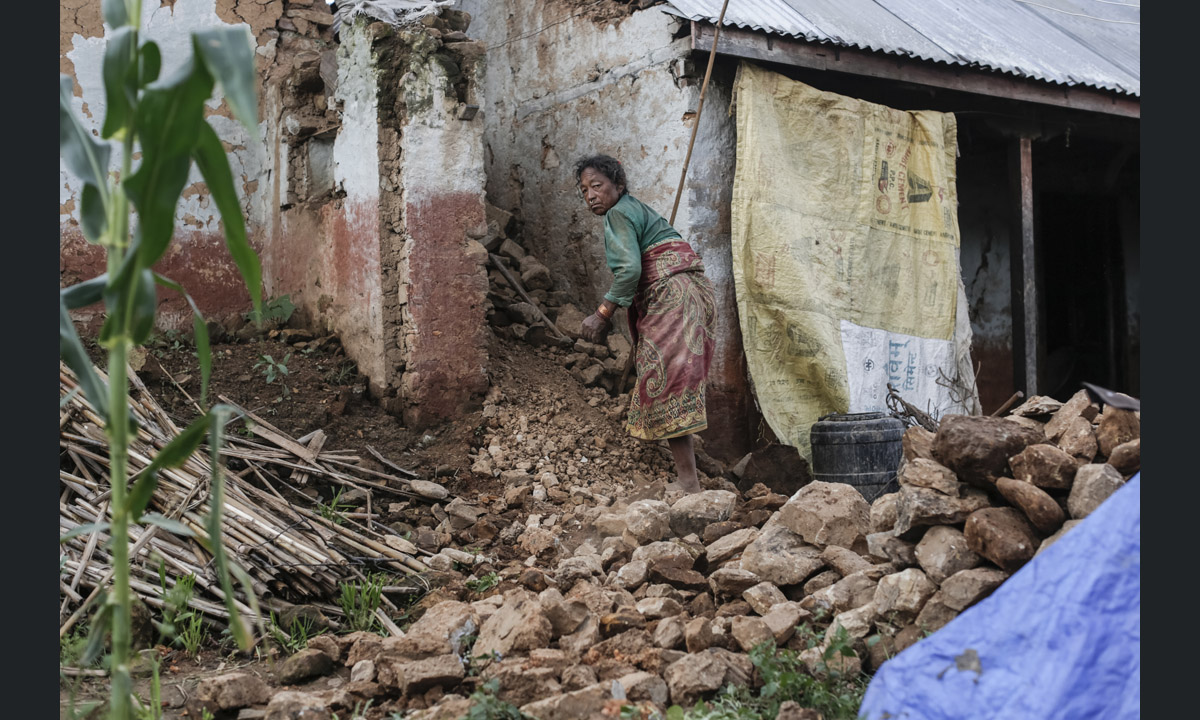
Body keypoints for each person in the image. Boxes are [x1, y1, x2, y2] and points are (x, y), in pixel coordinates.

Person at [575, 154, 717, 494]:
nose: (591, 195)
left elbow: (629, 270)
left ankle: (688, 483)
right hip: (695, 294)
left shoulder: (618, 213)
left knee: (665, 383)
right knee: (677, 382)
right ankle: (689, 479)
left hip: (671, 297)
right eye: (583, 191)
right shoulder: (638, 209)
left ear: (618, 185)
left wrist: (602, 314)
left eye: (597, 186)